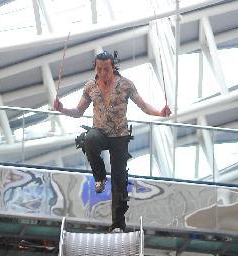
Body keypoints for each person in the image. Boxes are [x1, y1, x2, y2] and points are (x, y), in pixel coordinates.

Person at [53, 50, 171, 232]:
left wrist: (160, 113)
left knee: (119, 179)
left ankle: (118, 224)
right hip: (99, 132)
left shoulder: (126, 85)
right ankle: (99, 177)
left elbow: (143, 106)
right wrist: (62, 109)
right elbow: (78, 112)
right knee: (89, 139)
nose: (103, 73)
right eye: (99, 69)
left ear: (113, 66)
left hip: (120, 136)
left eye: (106, 69)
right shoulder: (90, 87)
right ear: (95, 68)